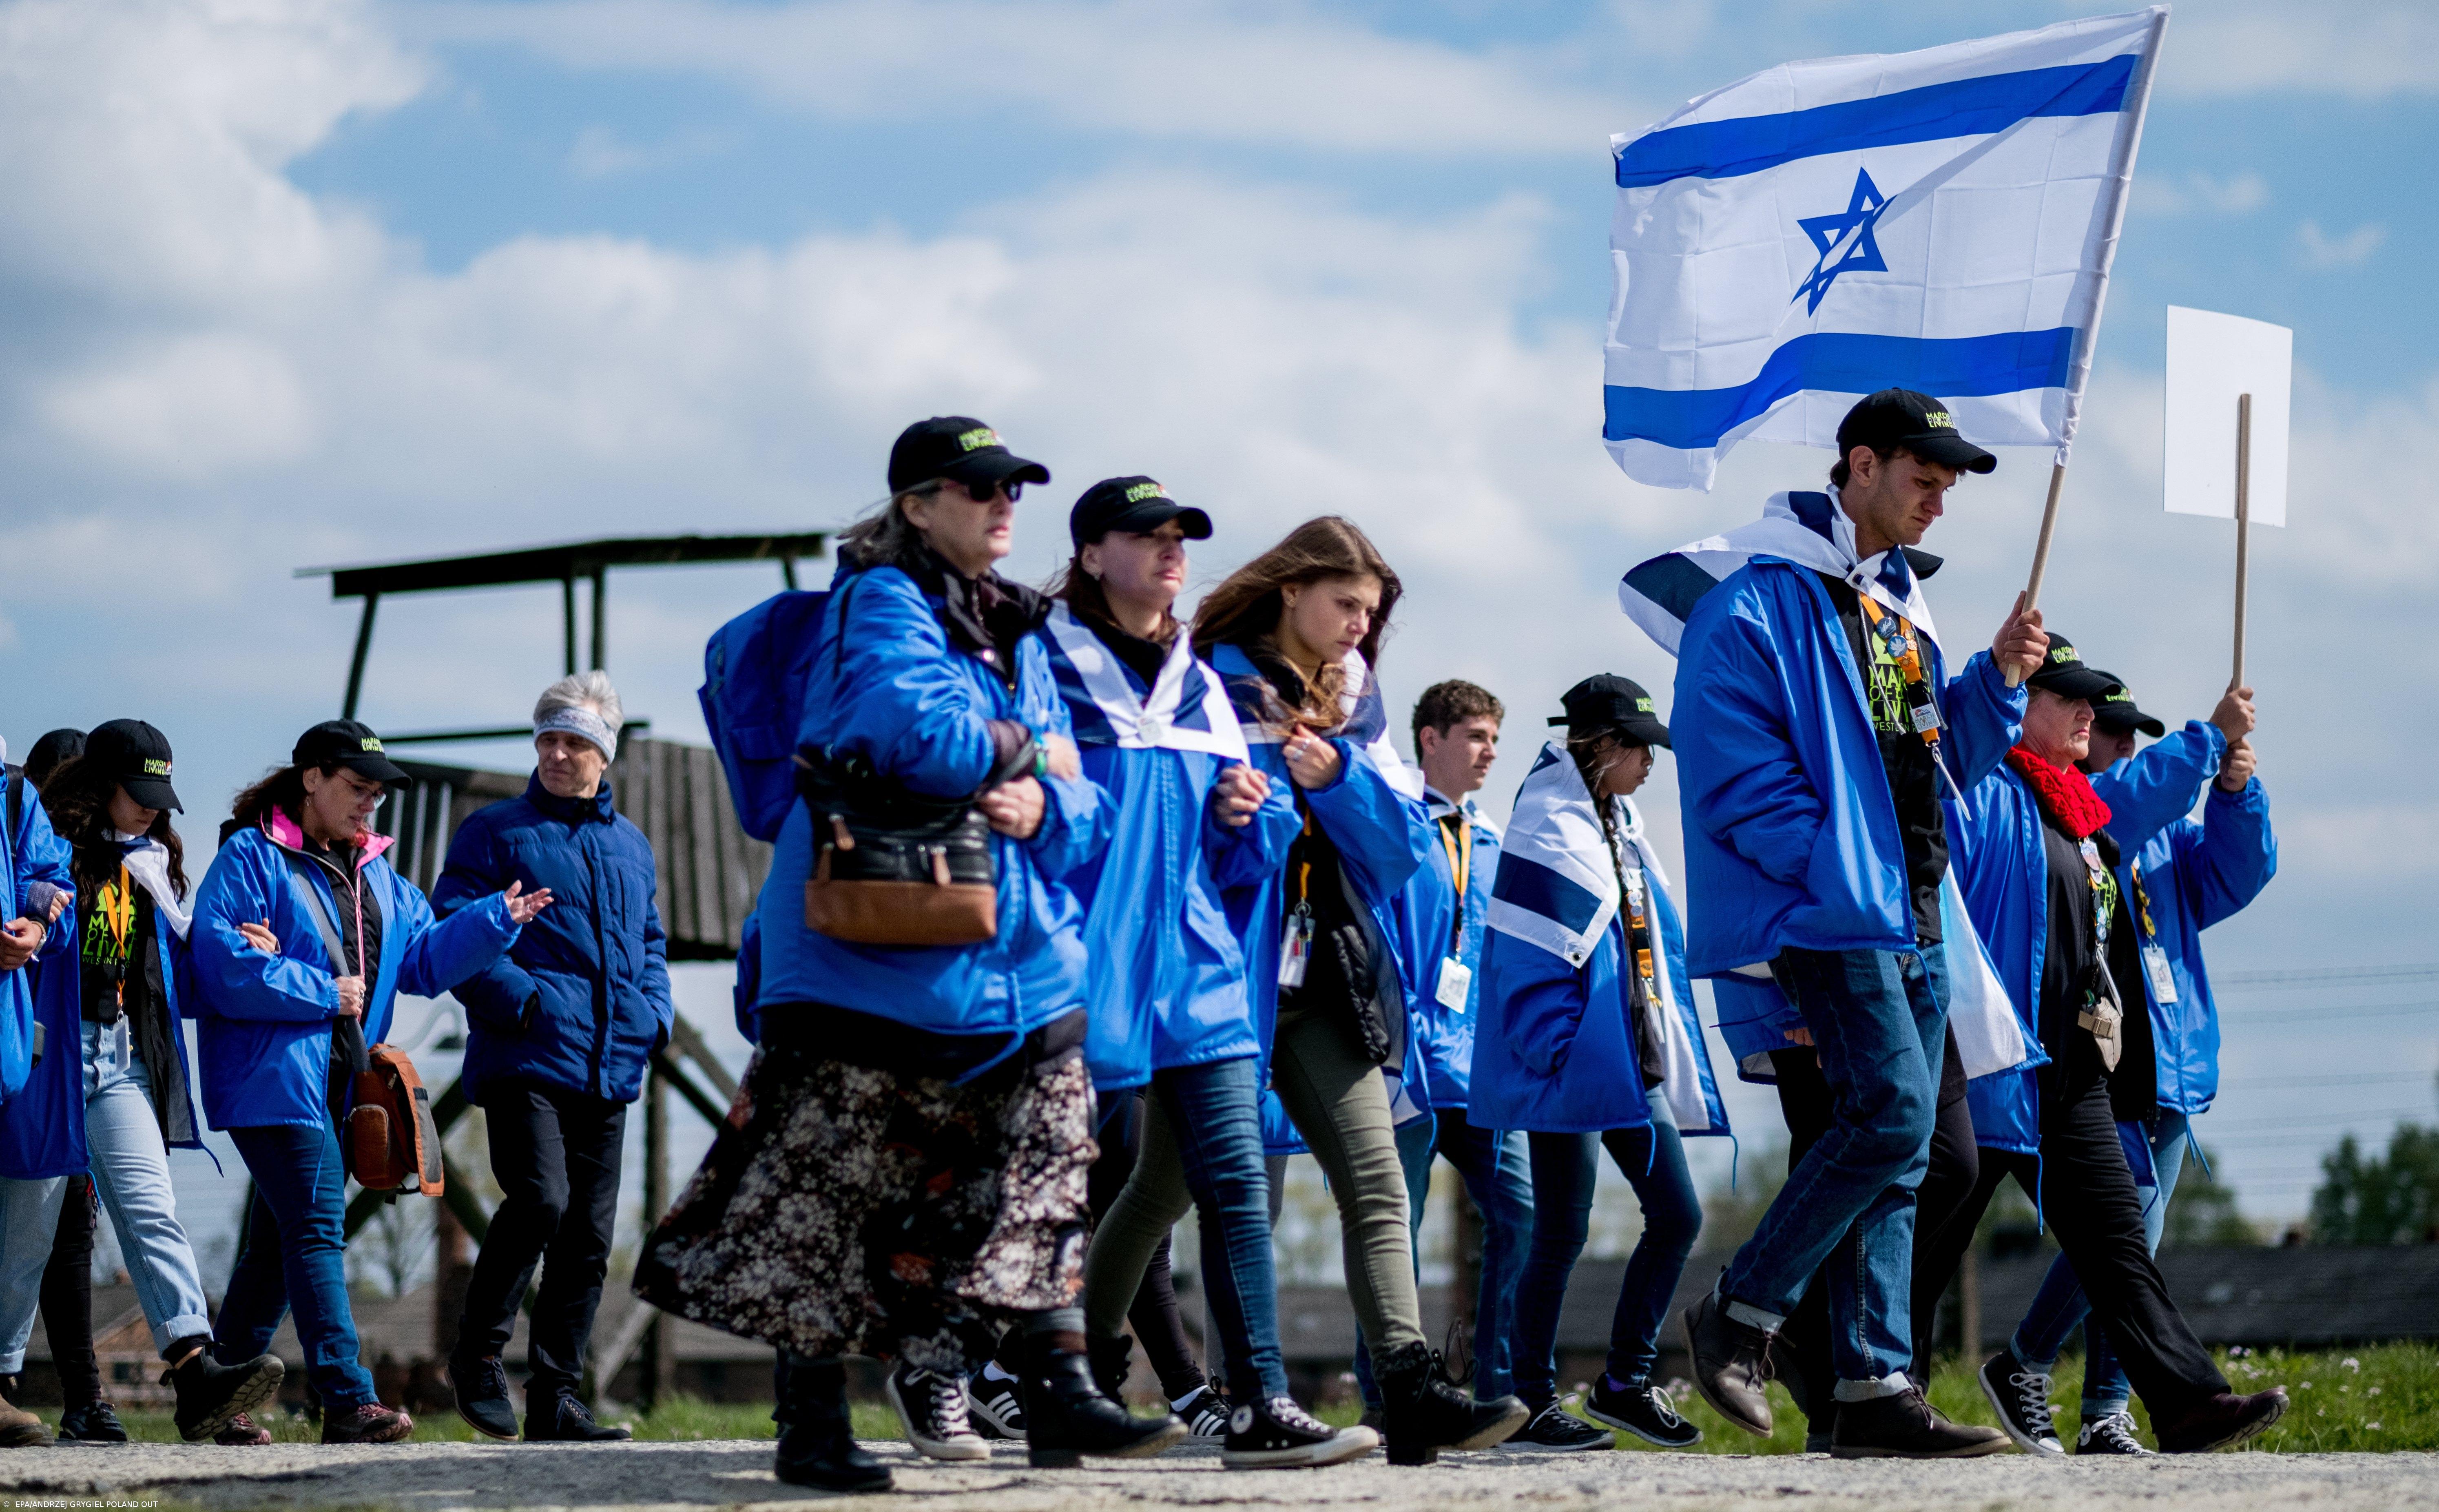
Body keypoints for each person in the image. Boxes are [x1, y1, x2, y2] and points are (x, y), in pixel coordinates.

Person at [635, 417, 1180, 1494]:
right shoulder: (879, 601)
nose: (1001, 503)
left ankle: (1061, 1382)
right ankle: (813, 1426)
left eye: (1010, 487)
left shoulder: (1012, 629)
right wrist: (1027, 751)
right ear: (916, 505)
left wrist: (1043, 798)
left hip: (993, 959)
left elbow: (1084, 801)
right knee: (831, 1197)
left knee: (1044, 1155)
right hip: (860, 950)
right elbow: (905, 729)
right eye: (975, 488)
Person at [1671, 389, 2039, 1457]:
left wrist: (1999, 685)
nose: (1938, 503)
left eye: (1947, 487)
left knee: (1915, 1148)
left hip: (1916, 911)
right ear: (1860, 464)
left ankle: (1872, 1386)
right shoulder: (1748, 604)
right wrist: (1839, 874)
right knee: (1883, 1118)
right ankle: (1738, 1314)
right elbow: (1736, 778)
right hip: (1836, 915)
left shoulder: (1893, 611)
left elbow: (1936, 767)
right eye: (1924, 480)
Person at [1047, 475, 1374, 1468]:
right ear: (1093, 554)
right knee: (1045, 1190)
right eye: (1145, 537)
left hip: (1197, 968)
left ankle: (1259, 1403)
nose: (1170, 550)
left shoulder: (1197, 682)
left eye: (1180, 537)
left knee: (1236, 1183)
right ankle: (1004, 1377)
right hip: (1079, 966)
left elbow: (1246, 855)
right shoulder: (1045, 664)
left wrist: (1249, 814)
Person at [1193, 516, 1526, 1465]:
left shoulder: (1358, 711)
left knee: (1378, 1187)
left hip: (1324, 976)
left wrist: (1337, 771)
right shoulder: (1209, 687)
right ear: (1288, 592)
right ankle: (1058, 1369)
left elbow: (1398, 854)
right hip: (1226, 983)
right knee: (1166, 1199)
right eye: (1344, 604)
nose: (1356, 628)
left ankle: (1409, 1389)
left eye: (1369, 614)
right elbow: (1211, 848)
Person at [1914, 638, 2288, 1455]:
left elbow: (2235, 874)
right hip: (2004, 1063)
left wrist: (2232, 788)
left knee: (2119, 1242)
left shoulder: (2118, 833)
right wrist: (2203, 743)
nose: (2115, 742)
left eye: (2125, 732)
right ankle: (1868, 1378)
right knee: (1938, 1232)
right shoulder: (2037, 807)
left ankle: (2164, 1404)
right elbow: (2114, 802)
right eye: (2102, 723)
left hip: (2113, 1070)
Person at [194, 720, 547, 1445]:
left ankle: (212, 1395)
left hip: (341, 1080)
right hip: (272, 1079)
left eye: (377, 794)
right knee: (319, 1226)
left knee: (274, 1245)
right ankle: (348, 1399)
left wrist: (492, 921)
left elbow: (421, 961)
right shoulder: (249, 857)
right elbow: (219, 962)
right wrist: (324, 990)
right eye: (357, 788)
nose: (369, 805)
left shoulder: (380, 875)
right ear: (312, 779)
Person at [0, 723, 290, 1447]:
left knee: (152, 1210)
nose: (154, 812)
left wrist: (233, 945)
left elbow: (172, 975)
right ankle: (2, 1383)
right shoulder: (48, 850)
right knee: (28, 1233)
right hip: (50, 1058)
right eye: (142, 796)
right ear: (100, 784)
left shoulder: (154, 863)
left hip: (121, 1057)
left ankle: (196, 1377)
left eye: (163, 799)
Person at [1473, 677, 1727, 1451]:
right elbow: (1526, 954)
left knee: (1677, 1214)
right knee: (1561, 1233)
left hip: (1625, 1059)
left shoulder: (1619, 821)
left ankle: (1623, 1383)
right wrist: (1559, 1056)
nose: (1653, 763)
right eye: (1643, 749)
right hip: (1572, 1065)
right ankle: (1529, 1400)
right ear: (1608, 746)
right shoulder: (1548, 821)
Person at [442, 672, 673, 1444]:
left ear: (604, 753)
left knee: (589, 1238)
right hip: (526, 1052)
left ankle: (558, 1398)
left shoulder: (631, 845)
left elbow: (649, 942)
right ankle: (477, 1357)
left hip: (610, 1061)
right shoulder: (493, 833)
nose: (558, 752)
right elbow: (457, 927)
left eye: (575, 741)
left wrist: (654, 1017)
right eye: (548, 737)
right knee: (542, 1200)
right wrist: (522, 998)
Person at [1349, 680, 1533, 1422]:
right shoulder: (1395, 831)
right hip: (1411, 1071)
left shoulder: (1496, 843)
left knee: (1521, 1215)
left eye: (1495, 737)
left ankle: (1496, 1386)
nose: (1492, 751)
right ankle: (1390, 1397)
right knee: (1397, 1233)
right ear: (1431, 739)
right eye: (1478, 736)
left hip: (1484, 1074)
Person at [0, 732, 75, 1448]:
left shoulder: (16, 791)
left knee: (26, 1219)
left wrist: (37, 919)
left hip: (7, 1046)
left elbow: (55, 880)